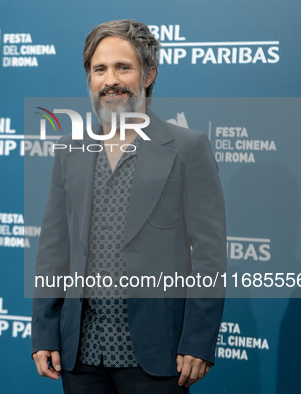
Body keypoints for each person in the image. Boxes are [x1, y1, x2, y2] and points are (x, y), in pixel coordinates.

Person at [31, 19, 226, 393]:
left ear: (149, 74)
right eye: (99, 69)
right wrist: (44, 330)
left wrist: (198, 341)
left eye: (123, 67)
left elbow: (210, 254)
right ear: (88, 78)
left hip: (158, 355)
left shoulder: (187, 148)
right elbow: (53, 248)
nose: (110, 80)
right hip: (81, 355)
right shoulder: (70, 149)